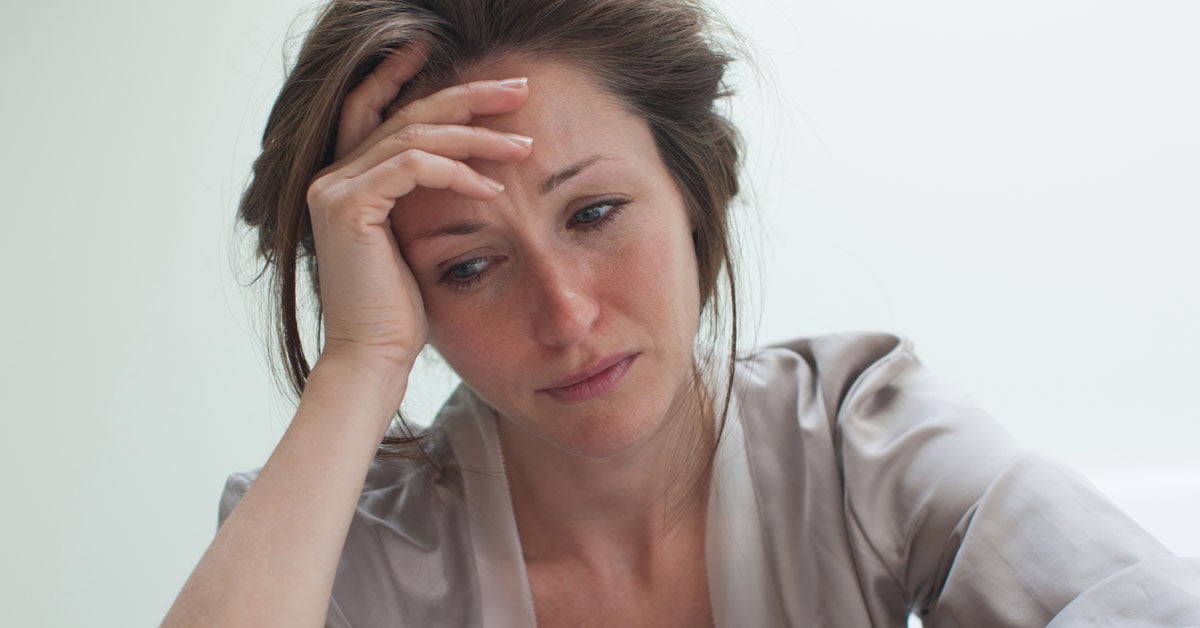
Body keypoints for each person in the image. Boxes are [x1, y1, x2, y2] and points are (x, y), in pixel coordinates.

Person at [164, 0, 1200, 625]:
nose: (567, 313)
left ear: (694, 189)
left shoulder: (857, 436)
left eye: (597, 211)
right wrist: (357, 362)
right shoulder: (350, 545)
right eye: (470, 267)